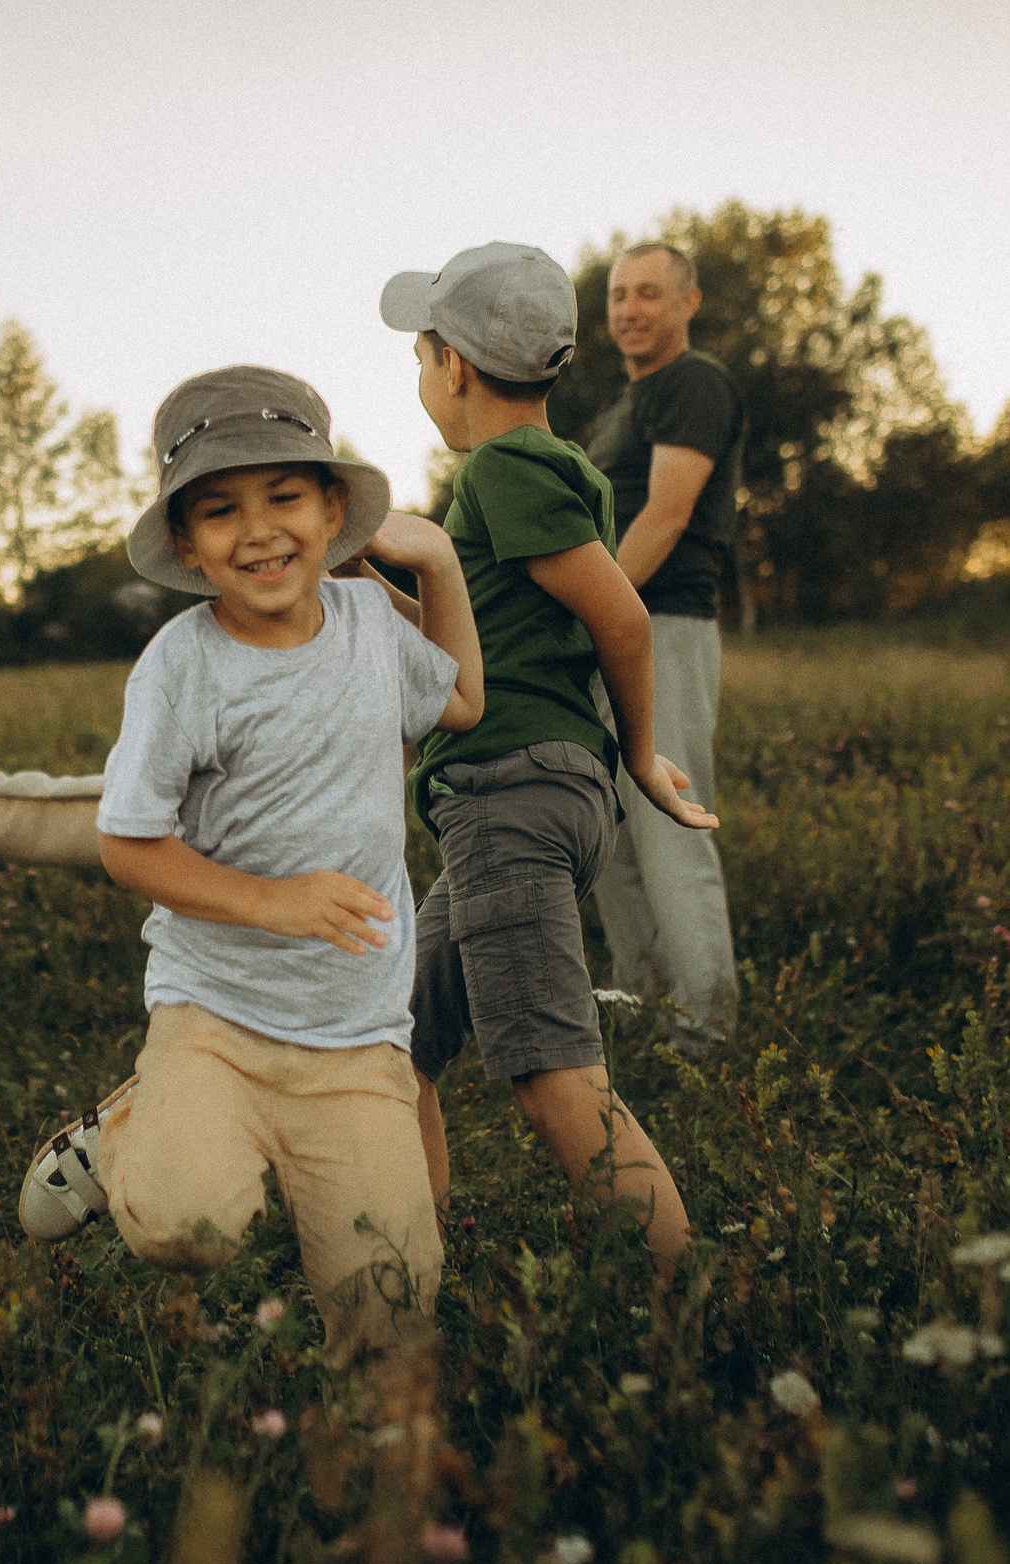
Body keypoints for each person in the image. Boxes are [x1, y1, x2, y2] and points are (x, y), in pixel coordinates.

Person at [17, 366, 484, 1368]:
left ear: (331, 512)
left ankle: (366, 1487)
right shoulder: (182, 667)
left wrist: (438, 569)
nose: (259, 530)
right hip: (215, 1018)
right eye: (221, 511)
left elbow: (458, 705)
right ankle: (133, 1130)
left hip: (358, 1037)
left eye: (284, 497)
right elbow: (124, 842)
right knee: (187, 1224)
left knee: (392, 1302)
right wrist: (271, 903)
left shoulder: (369, 625)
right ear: (188, 544)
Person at [376, 242, 717, 1269]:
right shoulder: (550, 472)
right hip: (522, 788)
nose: (423, 372)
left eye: (422, 350)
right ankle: (408, 1274)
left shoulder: (503, 470)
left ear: (455, 369)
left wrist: (645, 757)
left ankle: (691, 1308)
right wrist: (368, 586)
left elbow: (624, 620)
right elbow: (469, 647)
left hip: (512, 789)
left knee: (552, 1072)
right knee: (393, 1045)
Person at [582, 242, 745, 1054]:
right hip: (615, 630)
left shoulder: (693, 382)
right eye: (618, 294)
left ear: (689, 301)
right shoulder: (625, 403)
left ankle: (706, 1028)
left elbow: (668, 515)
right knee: (609, 830)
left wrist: (589, 614)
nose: (629, 309)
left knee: (670, 822)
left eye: (649, 293)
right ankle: (643, 1004)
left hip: (663, 625)